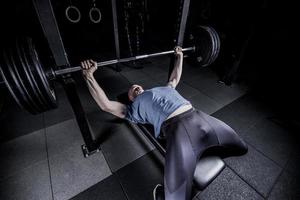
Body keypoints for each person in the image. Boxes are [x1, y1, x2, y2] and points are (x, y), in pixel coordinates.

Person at [80, 47, 248, 200]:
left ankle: (202, 152)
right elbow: (106, 105)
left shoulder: (164, 88)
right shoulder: (132, 110)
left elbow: (175, 77)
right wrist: (89, 77)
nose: (134, 88)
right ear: (131, 99)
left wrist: (179, 56)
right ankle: (161, 193)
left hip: (199, 116)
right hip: (178, 131)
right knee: (175, 198)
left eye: (136, 86)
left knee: (241, 147)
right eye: (132, 91)